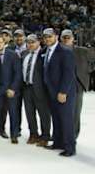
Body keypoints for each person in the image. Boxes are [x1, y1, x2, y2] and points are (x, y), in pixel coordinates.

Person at [42, 28, 77, 157]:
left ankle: (69, 147)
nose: (47, 39)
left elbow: (68, 74)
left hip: (63, 92)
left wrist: (63, 92)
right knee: (56, 118)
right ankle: (58, 142)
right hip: (51, 91)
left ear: (56, 37)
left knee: (66, 120)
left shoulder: (65, 51)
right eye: (45, 37)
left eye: (50, 37)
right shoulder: (46, 51)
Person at [60, 29, 95, 139]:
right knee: (61, 112)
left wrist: (88, 71)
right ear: (61, 39)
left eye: (68, 37)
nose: (66, 39)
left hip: (77, 84)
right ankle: (61, 135)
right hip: (61, 85)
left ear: (73, 39)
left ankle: (73, 136)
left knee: (75, 113)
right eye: (64, 37)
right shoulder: (57, 51)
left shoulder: (82, 51)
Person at [0, 34, 22, 144]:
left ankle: (14, 135)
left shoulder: (13, 55)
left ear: (4, 43)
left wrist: (13, 88)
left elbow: (18, 74)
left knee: (13, 112)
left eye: (0, 42)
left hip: (10, 89)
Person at [21, 34, 51, 147]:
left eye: (33, 42)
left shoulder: (44, 53)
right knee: (29, 113)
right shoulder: (24, 54)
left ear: (39, 42)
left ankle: (45, 136)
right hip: (26, 87)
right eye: (28, 42)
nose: (30, 44)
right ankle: (33, 134)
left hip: (40, 89)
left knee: (43, 113)